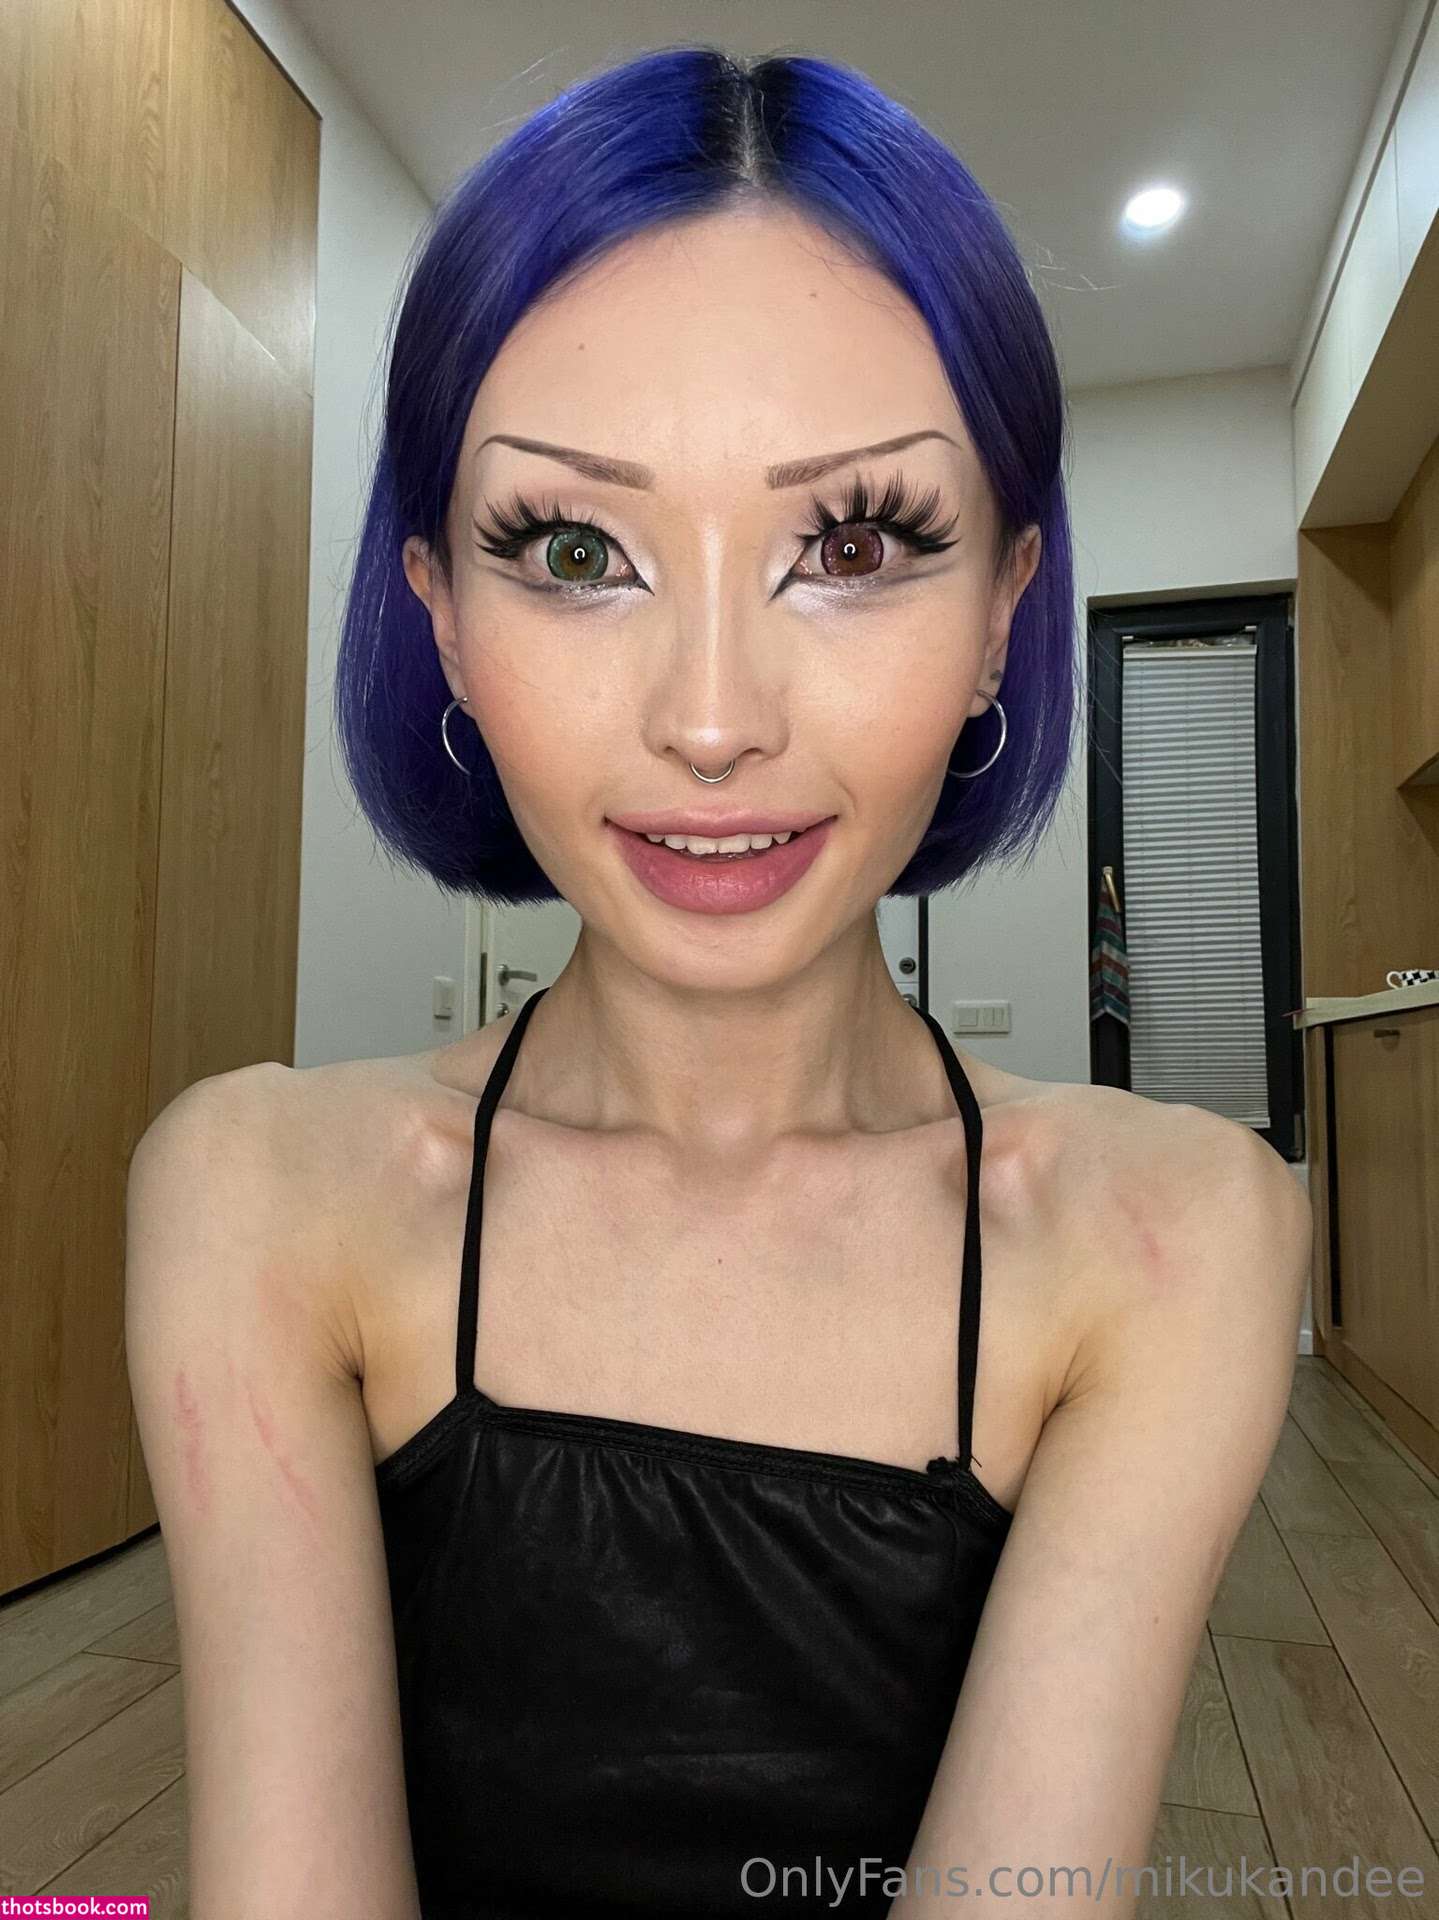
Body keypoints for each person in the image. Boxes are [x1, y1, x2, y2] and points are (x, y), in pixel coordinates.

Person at [124, 44, 1312, 1920]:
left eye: (853, 543)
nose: (709, 721)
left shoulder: (1178, 1240)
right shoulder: (257, 1196)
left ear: (1005, 605)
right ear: (440, 609)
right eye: (574, 549)